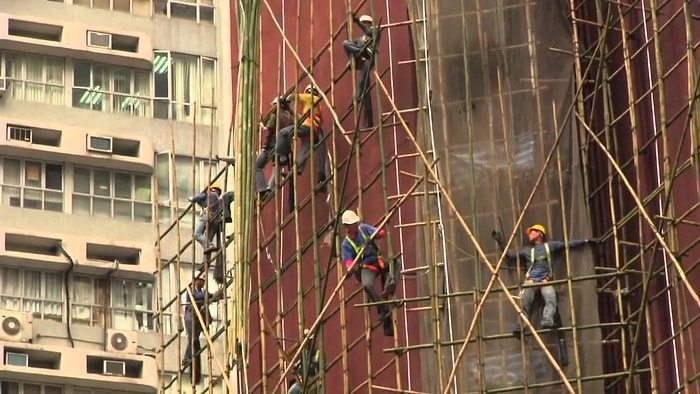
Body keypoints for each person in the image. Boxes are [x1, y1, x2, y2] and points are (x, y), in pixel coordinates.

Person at [501, 224, 598, 333]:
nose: (530, 235)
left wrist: (585, 241)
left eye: (532, 232)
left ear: (540, 234)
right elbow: (509, 255)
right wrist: (501, 243)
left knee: (551, 299)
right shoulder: (527, 251)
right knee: (524, 304)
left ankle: (547, 321)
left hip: (545, 280)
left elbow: (567, 244)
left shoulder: (549, 246)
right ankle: (521, 326)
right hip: (531, 280)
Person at [340, 210, 399, 336]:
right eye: (352, 224)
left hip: (378, 261)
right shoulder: (346, 244)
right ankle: (383, 308)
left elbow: (381, 232)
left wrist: (374, 235)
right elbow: (348, 262)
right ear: (346, 227)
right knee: (367, 285)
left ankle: (389, 284)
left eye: (356, 222)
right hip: (367, 267)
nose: (356, 225)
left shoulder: (364, 229)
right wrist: (351, 268)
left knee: (395, 263)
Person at [271, 84, 329, 193]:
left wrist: (284, 99)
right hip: (313, 131)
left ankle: (282, 157)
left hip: (309, 127)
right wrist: (290, 110)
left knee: (283, 133)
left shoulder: (311, 97)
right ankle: (296, 169)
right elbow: (301, 118)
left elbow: (294, 96)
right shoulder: (316, 105)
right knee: (303, 152)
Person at [343, 14, 379, 128]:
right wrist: (352, 61)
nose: (366, 26)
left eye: (367, 24)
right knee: (366, 89)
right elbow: (349, 45)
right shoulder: (360, 40)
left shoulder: (375, 32)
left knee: (362, 80)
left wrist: (358, 22)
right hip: (362, 60)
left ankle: (356, 97)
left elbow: (368, 32)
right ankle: (369, 122)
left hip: (370, 57)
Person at [257, 97, 295, 200]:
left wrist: (264, 146)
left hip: (272, 145)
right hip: (284, 147)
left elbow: (268, 131)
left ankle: (262, 189)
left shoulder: (275, 115)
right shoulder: (290, 117)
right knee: (276, 167)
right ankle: (270, 188)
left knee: (257, 165)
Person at [181, 277, 218, 371]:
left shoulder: (201, 291)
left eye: (204, 282)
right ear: (196, 281)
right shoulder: (191, 290)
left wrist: (213, 296)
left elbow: (204, 298)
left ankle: (189, 356)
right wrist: (211, 295)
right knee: (192, 338)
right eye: (202, 281)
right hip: (191, 317)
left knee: (195, 339)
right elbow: (198, 296)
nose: (203, 283)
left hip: (197, 318)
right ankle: (187, 357)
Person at [189, 183, 223, 254]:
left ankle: (209, 245)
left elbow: (197, 198)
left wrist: (191, 199)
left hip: (207, 215)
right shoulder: (220, 199)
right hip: (216, 220)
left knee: (197, 234)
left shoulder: (208, 193)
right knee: (208, 239)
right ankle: (209, 247)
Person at [287, 329, 321, 394]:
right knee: (291, 391)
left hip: (312, 381)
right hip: (302, 382)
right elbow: (299, 362)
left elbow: (319, 367)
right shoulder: (304, 352)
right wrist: (295, 366)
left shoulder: (317, 353)